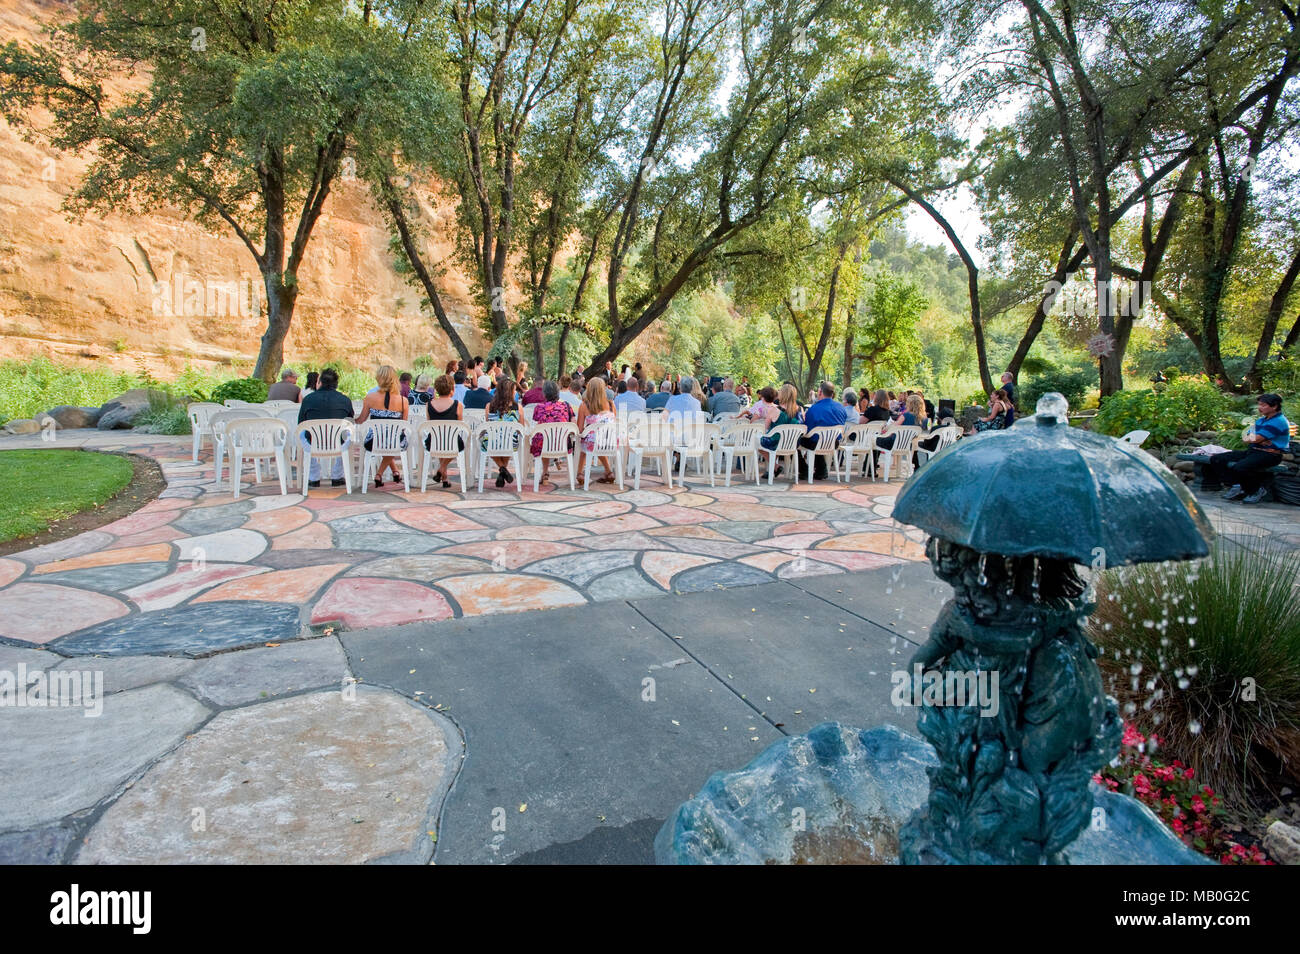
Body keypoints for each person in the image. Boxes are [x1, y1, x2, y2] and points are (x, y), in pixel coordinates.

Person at [1211, 394, 1291, 504]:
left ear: (1274, 406)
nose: (1260, 408)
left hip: (1270, 455)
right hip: (1254, 451)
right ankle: (1236, 485)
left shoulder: (1279, 421)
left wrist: (1255, 439)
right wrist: (1257, 439)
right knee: (1217, 459)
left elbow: (1254, 438)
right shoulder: (1261, 421)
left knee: (1240, 467)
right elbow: (1246, 437)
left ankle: (1256, 490)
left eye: (1263, 405)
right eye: (1259, 405)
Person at [296, 367, 352, 487]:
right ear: (336, 384)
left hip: (313, 443)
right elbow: (351, 421)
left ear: (319, 383)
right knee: (349, 434)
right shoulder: (345, 400)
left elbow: (301, 422)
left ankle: (313, 476)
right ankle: (337, 475)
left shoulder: (308, 399)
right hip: (338, 443)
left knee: (302, 432)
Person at [356, 365, 409, 487]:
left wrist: (351, 419)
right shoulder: (403, 401)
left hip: (373, 441)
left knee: (384, 440)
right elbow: (403, 425)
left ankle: (380, 473)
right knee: (391, 441)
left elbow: (361, 420)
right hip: (395, 442)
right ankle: (391, 471)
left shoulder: (370, 398)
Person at [530, 380, 575, 486]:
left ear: (544, 393)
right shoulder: (566, 406)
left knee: (542, 437)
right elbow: (573, 424)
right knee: (547, 437)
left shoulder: (539, 407)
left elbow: (535, 421)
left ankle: (545, 472)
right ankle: (555, 463)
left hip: (544, 444)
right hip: (562, 443)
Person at [799, 381, 848, 479]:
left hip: (816, 444)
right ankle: (821, 470)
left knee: (796, 441)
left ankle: (804, 470)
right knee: (819, 440)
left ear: (820, 392)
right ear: (832, 393)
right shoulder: (841, 408)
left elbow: (807, 430)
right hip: (834, 443)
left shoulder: (813, 409)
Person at [423, 374, 464, 488]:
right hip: (453, 442)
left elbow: (430, 423)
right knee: (453, 442)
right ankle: (442, 471)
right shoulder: (457, 405)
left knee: (441, 440)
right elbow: (459, 425)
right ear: (452, 388)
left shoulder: (429, 404)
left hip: (433, 442)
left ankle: (444, 476)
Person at [577, 377, 619, 484]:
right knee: (597, 438)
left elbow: (579, 429)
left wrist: (587, 430)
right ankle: (609, 472)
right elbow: (613, 422)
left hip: (595, 443)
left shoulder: (584, 405)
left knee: (584, 442)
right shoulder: (611, 404)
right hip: (612, 441)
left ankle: (580, 473)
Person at [482, 379, 522, 488]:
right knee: (508, 441)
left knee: (487, 442)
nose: (516, 393)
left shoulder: (489, 406)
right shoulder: (518, 407)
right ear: (509, 392)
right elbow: (520, 429)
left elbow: (487, 425)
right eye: (514, 390)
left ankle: (502, 470)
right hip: (510, 443)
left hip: (492, 443)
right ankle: (503, 469)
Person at [758, 383, 803, 478]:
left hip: (777, 443)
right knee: (776, 440)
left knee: (759, 443)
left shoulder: (775, 410)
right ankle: (772, 469)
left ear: (783, 394)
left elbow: (765, 428)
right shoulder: (801, 410)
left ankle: (775, 466)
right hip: (794, 443)